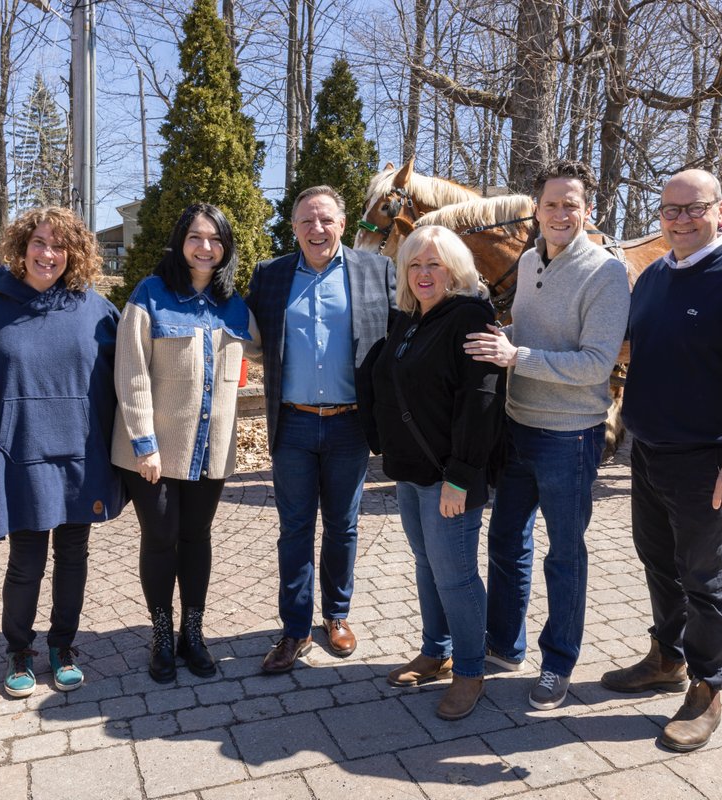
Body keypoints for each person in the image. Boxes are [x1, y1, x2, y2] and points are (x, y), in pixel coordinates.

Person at [602, 169, 722, 752]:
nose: (680, 219)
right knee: (659, 562)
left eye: (693, 208)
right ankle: (667, 657)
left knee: (704, 576)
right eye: (669, 210)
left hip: (709, 458)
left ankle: (709, 686)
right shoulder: (654, 276)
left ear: (718, 211)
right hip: (650, 451)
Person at [463, 160, 631, 711]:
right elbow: (532, 336)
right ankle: (504, 646)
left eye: (571, 204)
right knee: (507, 542)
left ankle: (558, 663)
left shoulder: (605, 273)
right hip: (517, 430)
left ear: (588, 210)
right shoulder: (532, 260)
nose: (561, 213)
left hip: (569, 438)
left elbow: (595, 363)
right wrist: (499, 338)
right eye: (551, 203)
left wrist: (518, 356)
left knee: (565, 555)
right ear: (535, 209)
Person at [0, 206, 124, 698]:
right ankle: (19, 649)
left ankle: (63, 645)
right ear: (21, 247)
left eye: (60, 245)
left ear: (75, 253)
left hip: (81, 453)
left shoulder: (95, 309)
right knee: (26, 559)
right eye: (39, 242)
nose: (48, 253)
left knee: (74, 554)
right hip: (18, 454)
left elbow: (126, 384)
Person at [246, 185, 396, 673]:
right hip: (291, 424)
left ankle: (336, 616)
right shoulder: (270, 276)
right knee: (294, 529)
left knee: (343, 526)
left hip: (350, 424)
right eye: (307, 220)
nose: (317, 229)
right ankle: (294, 629)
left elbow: (411, 326)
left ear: (342, 223)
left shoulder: (376, 271)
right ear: (293, 226)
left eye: (326, 219)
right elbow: (244, 332)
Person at [112, 203, 260, 683]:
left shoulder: (234, 304)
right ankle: (161, 633)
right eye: (196, 237)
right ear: (180, 242)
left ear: (226, 249)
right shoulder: (151, 295)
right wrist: (144, 442)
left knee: (197, 538)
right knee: (161, 538)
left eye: (216, 240)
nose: (206, 247)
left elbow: (265, 346)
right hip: (154, 450)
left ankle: (192, 633)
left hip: (210, 449)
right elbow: (131, 372)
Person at [367, 226, 503, 720]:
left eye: (435, 264)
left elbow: (480, 400)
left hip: (451, 475)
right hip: (411, 471)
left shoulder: (470, 317)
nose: (424, 274)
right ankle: (436, 650)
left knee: (456, 576)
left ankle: (470, 671)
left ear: (456, 269)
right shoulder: (408, 318)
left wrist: (463, 475)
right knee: (428, 564)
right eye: (415, 265)